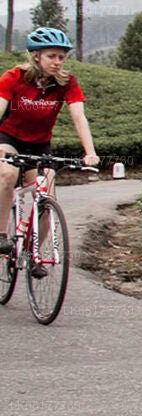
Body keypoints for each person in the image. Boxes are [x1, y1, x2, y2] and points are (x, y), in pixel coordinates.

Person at [0, 27, 99, 274]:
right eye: (51, 56)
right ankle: (1, 235)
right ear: (36, 56)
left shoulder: (66, 83)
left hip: (40, 145)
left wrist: (90, 152)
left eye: (61, 57)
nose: (57, 62)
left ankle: (31, 253)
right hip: (9, 138)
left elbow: (79, 117)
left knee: (47, 197)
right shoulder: (14, 77)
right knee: (8, 175)